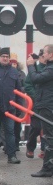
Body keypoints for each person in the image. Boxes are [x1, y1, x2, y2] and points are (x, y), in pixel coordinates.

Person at [26, 45, 53, 177]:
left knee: (49, 137)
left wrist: (30, 66)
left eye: (45, 53)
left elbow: (36, 78)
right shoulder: (48, 67)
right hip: (46, 104)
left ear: (51, 55)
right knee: (48, 136)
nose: (43, 55)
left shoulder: (51, 69)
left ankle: (48, 168)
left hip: (48, 105)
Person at [24, 49, 46, 159]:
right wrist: (36, 96)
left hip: (48, 103)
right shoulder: (36, 68)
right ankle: (30, 147)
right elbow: (28, 84)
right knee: (36, 127)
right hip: (37, 102)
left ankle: (44, 149)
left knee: (47, 127)